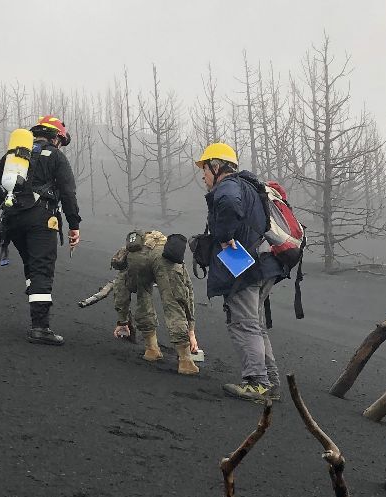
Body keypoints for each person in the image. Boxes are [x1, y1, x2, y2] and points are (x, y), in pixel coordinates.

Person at [196, 143, 287, 402]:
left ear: (216, 166)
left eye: (204, 168)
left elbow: (227, 204)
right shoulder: (250, 186)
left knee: (244, 324)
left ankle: (257, 383)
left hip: (245, 267)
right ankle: (271, 382)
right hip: (264, 265)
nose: (203, 175)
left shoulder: (228, 186)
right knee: (255, 325)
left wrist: (224, 237)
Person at [0, 116, 81, 345]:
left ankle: (36, 308)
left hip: (12, 221)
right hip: (41, 220)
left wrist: (8, 204)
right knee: (41, 269)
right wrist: (74, 226)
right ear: (56, 137)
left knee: (31, 265)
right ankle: (40, 327)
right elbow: (68, 193)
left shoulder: (15, 155)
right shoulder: (56, 156)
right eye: (61, 140)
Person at [113, 230, 200, 375]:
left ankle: (151, 349)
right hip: (164, 258)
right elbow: (187, 293)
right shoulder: (168, 250)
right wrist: (191, 330)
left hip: (139, 259)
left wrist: (122, 322)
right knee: (173, 303)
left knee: (143, 297)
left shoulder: (129, 254)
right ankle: (185, 360)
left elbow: (121, 292)